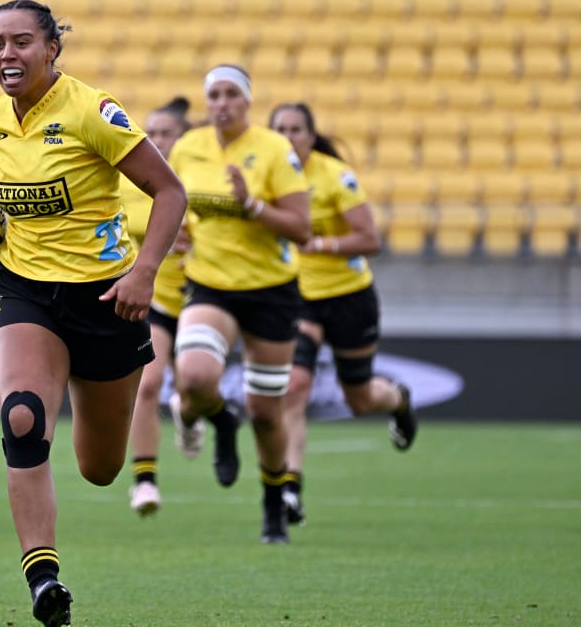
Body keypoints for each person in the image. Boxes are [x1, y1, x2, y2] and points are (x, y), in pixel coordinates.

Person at [0, 0, 187, 627]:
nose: (6, 55)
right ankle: (43, 577)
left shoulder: (93, 111)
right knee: (23, 418)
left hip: (105, 299)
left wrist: (144, 273)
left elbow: (170, 191)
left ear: (52, 49)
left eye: (21, 43)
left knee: (99, 468)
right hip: (25, 291)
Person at [168, 64, 311, 544]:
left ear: (247, 101)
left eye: (231, 94)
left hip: (270, 290)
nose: (222, 103)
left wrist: (252, 206)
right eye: (214, 94)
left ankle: (273, 504)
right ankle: (222, 419)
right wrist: (177, 233)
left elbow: (301, 227)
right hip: (210, 284)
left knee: (268, 413)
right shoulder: (189, 148)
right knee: (193, 377)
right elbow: (174, 205)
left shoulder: (274, 150)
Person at [269, 102, 417, 527]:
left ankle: (399, 400)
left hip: (349, 296)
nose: (289, 136)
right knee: (295, 386)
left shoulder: (335, 177)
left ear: (311, 136)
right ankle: (290, 485)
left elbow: (369, 237)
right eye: (281, 128)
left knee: (360, 396)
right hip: (299, 298)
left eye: (297, 128)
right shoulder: (266, 175)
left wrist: (323, 245)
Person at [120, 96, 193, 517]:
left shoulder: (202, 179)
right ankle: (145, 481)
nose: (159, 140)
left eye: (168, 132)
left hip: (207, 296)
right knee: (147, 384)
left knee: (196, 389)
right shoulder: (132, 184)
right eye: (154, 133)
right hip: (157, 300)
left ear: (185, 137)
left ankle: (190, 410)